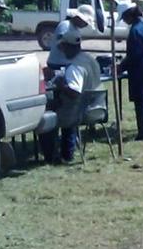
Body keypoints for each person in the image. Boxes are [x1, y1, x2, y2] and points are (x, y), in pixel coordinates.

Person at [40, 25, 103, 163]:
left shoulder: (74, 67)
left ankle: (53, 157)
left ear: (68, 46)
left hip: (79, 112)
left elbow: (74, 92)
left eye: (63, 47)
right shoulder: (90, 60)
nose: (61, 50)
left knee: (46, 117)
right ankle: (66, 151)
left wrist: (61, 85)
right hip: (97, 107)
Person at [115, 0, 143, 141]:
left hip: (140, 70)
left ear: (129, 15)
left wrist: (121, 66)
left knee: (140, 103)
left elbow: (134, 55)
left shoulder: (135, 31)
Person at [46, 4, 97, 71]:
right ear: (79, 18)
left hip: (66, 64)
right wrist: (74, 53)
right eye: (86, 23)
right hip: (58, 64)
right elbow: (61, 45)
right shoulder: (66, 25)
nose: (86, 25)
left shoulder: (75, 29)